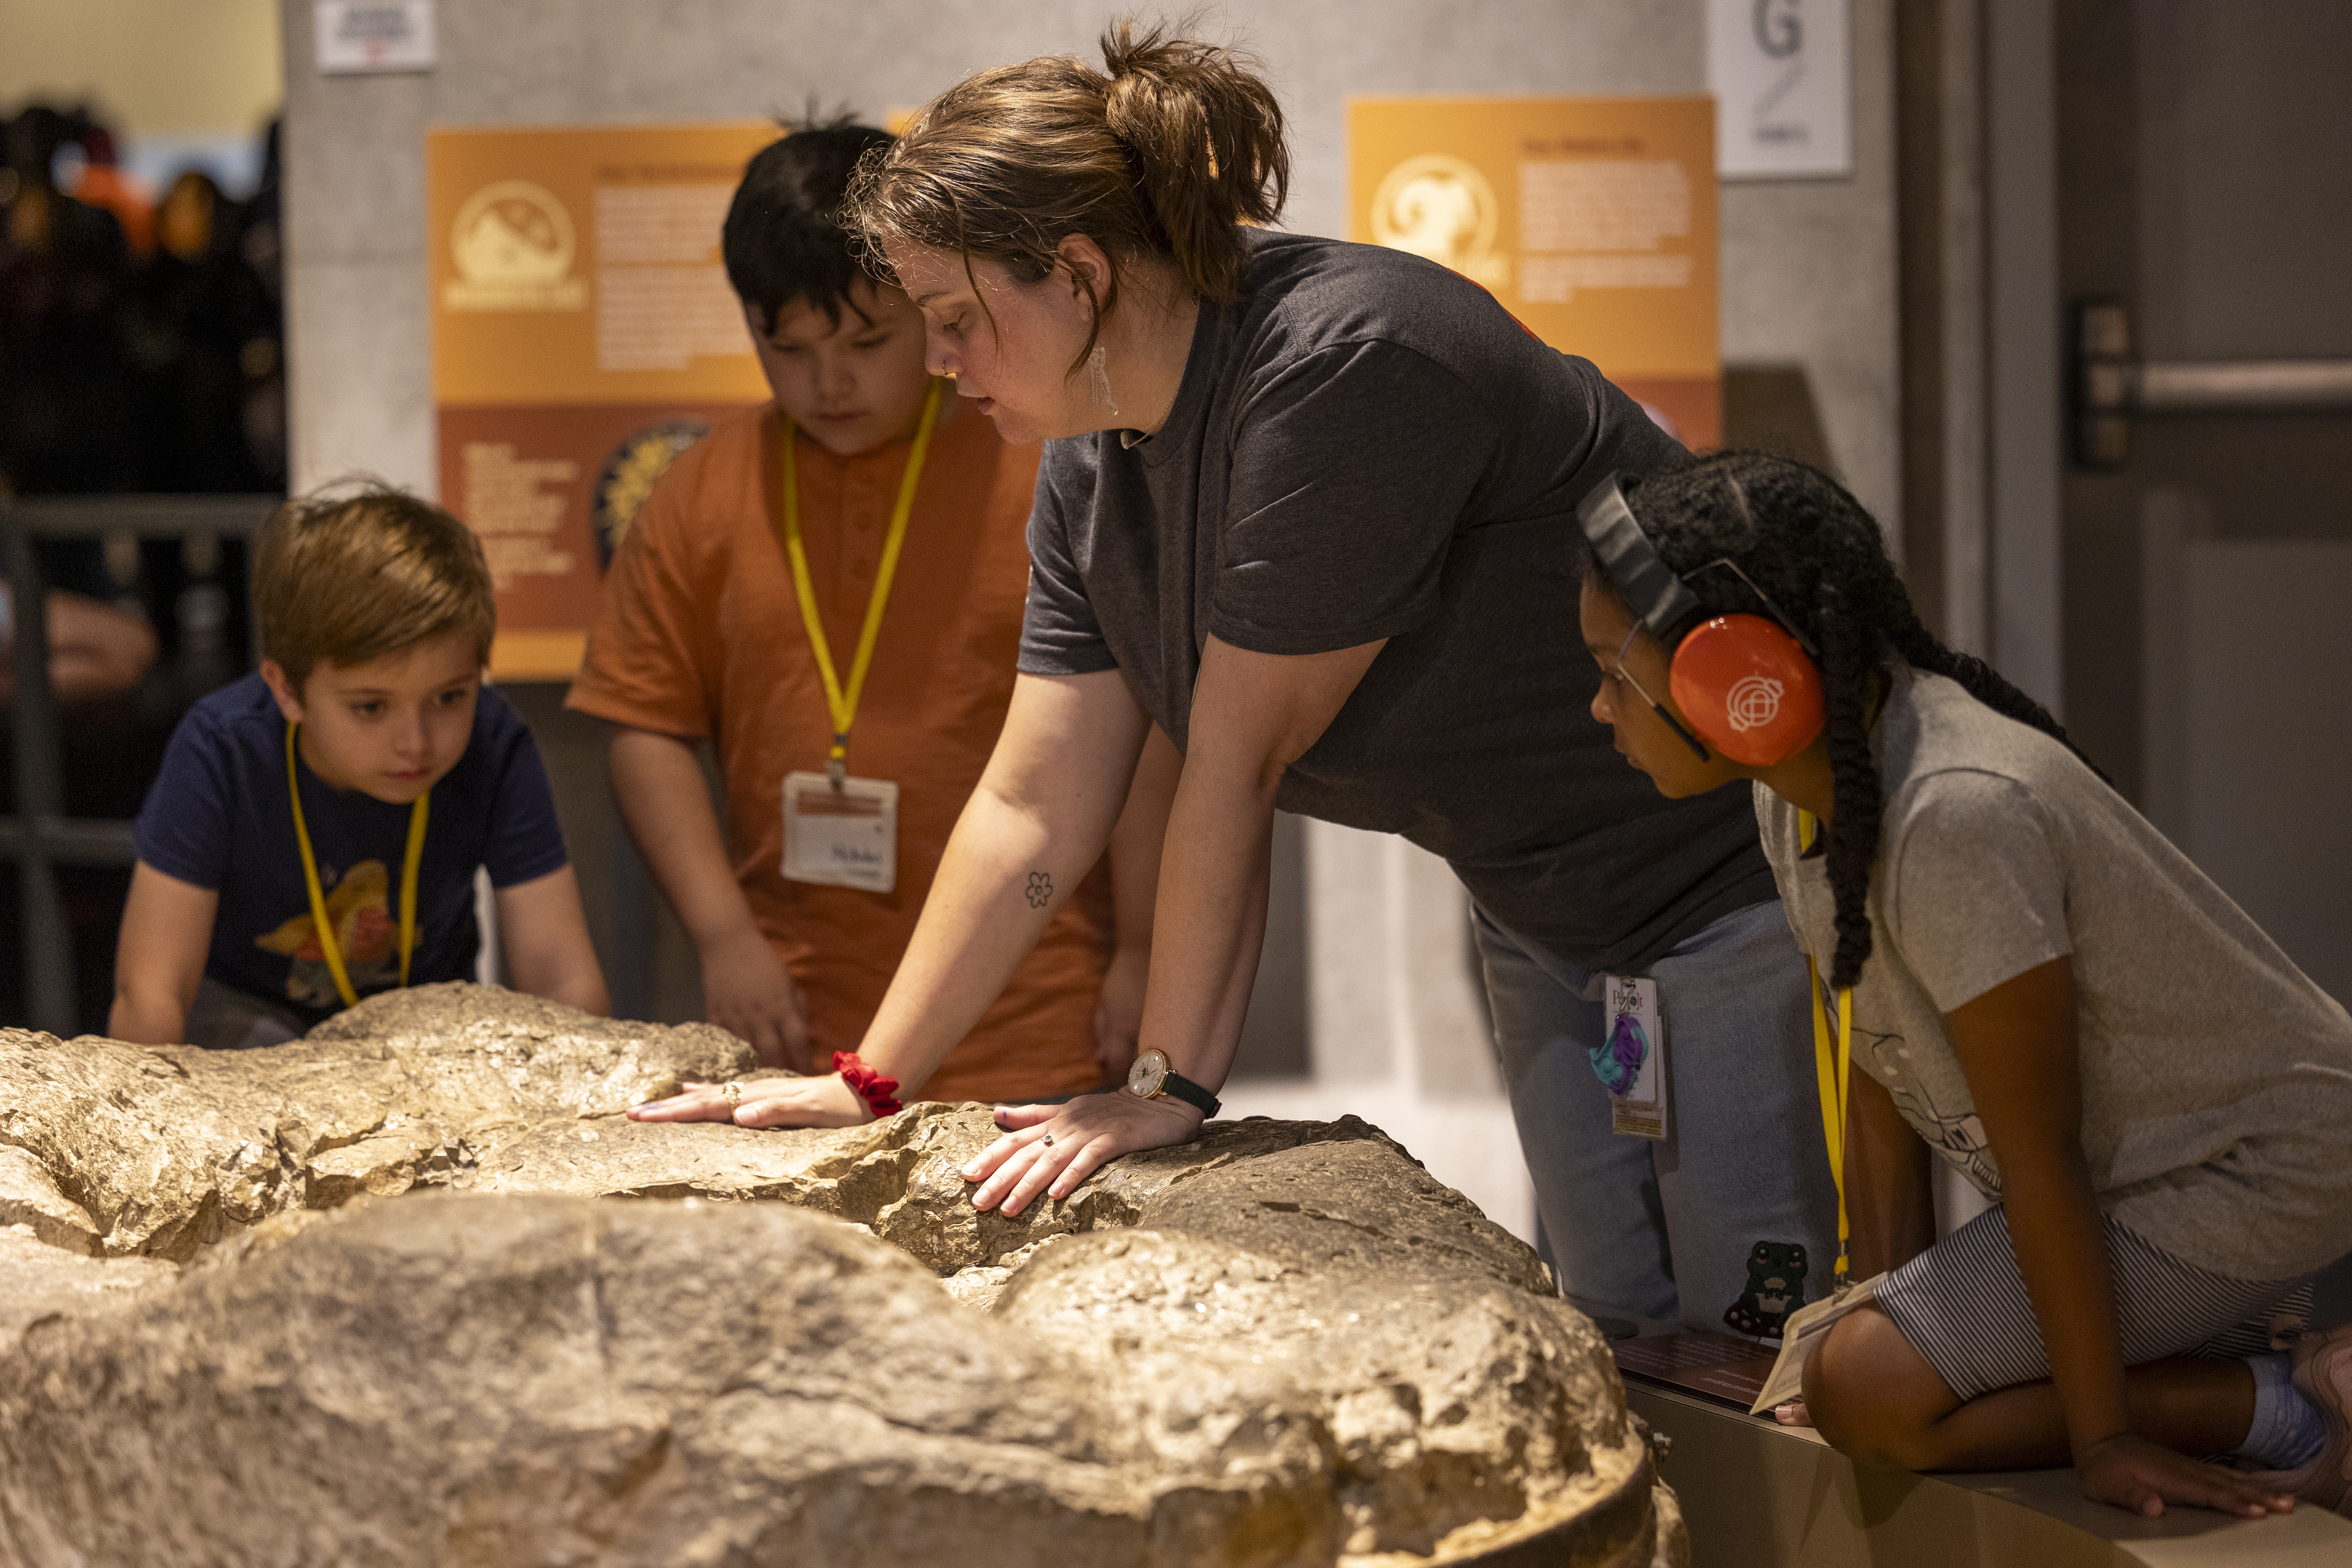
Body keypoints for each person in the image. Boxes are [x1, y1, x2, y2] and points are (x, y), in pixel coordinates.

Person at [630, 27, 1839, 1339]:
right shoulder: (1092, 460)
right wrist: (872, 1078)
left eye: (957, 321)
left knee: (1749, 1347)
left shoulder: (1344, 363)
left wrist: (1168, 1084)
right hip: (1537, 905)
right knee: (1614, 1324)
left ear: (1080, 275)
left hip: (1715, 887)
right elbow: (1036, 802)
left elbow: (1235, 759)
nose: (938, 364)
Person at [1574, 450, 2352, 1518]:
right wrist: (1876, 1299)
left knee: (1869, 1392)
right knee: (1854, 1358)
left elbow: (2041, 1156)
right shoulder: (1799, 785)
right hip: (2140, 1173)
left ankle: (2279, 1407)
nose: (1597, 709)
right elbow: (1885, 1066)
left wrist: (2106, 1437)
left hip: (2252, 1175)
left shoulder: (1952, 814)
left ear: (1737, 681)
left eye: (1617, 673)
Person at [569, 122, 1176, 1098]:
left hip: (1033, 1022)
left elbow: (1146, 738)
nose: (830, 383)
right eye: (790, 349)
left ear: (932, 308)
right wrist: (723, 937)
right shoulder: (704, 490)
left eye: (866, 342)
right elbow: (645, 724)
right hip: (792, 1024)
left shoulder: (1039, 460)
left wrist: (1144, 951)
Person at [111, 483, 607, 1049]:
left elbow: (561, 975)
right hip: (249, 1018)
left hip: (429, 1021)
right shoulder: (221, 749)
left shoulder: (495, 742)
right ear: (288, 691)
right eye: (371, 707)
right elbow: (150, 991)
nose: (416, 743)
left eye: (450, 697)